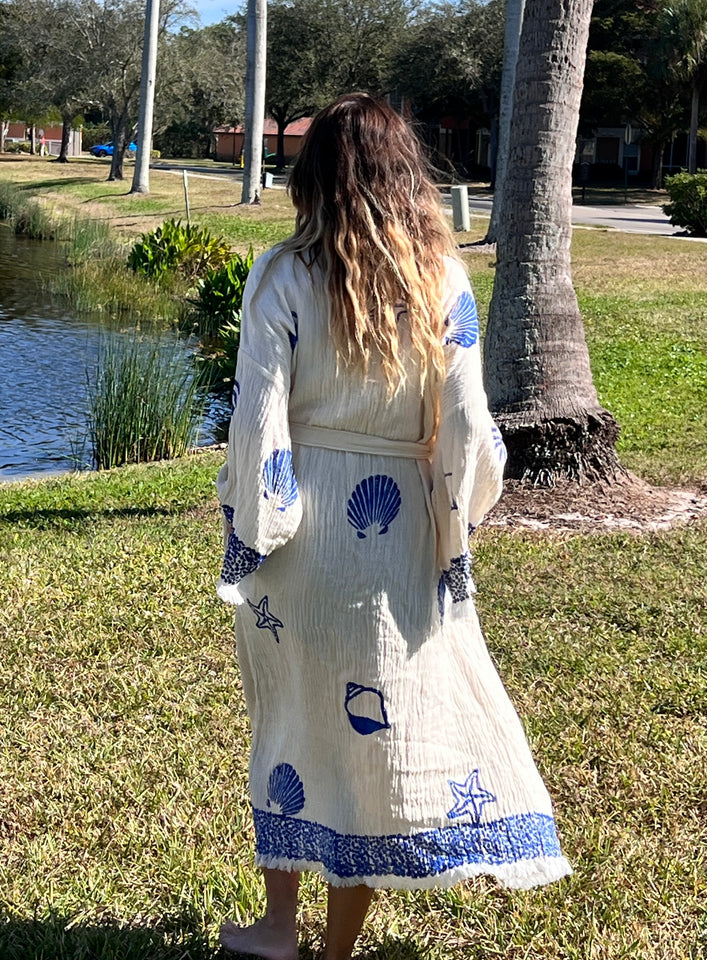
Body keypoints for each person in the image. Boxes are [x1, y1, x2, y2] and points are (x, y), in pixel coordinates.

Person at [215, 93, 571, 960]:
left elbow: (258, 424)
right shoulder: (441, 277)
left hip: (304, 541)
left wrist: (255, 526)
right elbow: (469, 427)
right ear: (404, 173)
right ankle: (337, 949)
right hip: (401, 529)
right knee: (369, 752)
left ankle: (275, 929)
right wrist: (458, 517)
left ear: (313, 176)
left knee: (294, 724)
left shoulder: (281, 275)